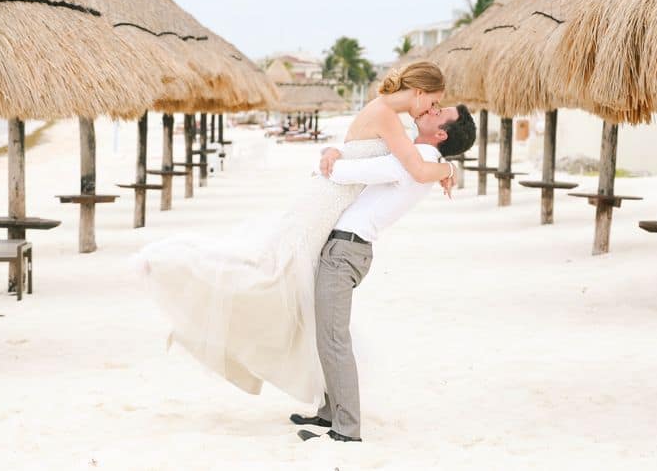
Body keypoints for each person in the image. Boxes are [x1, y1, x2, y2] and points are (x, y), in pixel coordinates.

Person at [138, 62, 459, 404]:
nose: (432, 109)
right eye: (433, 102)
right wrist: (450, 167)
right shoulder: (386, 115)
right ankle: (192, 302)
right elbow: (417, 168)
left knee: (284, 285)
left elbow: (362, 153)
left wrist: (332, 150)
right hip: (326, 202)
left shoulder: (389, 119)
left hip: (331, 202)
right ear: (420, 92)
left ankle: (316, 395)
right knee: (271, 276)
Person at [291, 104, 476, 442]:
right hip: (348, 248)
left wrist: (330, 155)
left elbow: (347, 172)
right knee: (328, 334)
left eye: (439, 112)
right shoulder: (424, 161)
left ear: (442, 133)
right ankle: (331, 411)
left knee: (333, 338)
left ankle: (346, 428)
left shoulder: (415, 160)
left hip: (346, 250)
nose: (430, 109)